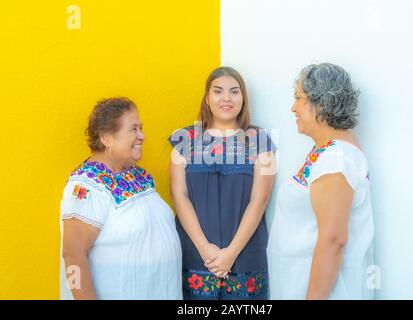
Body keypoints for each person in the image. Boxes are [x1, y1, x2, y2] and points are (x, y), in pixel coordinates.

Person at [267, 63, 375, 299]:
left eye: (299, 98)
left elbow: (333, 240)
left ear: (322, 102)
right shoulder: (329, 152)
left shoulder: (337, 158)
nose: (292, 108)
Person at [168, 67, 277, 300]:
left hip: (245, 254)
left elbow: (260, 200)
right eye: (218, 91)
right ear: (207, 98)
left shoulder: (261, 141)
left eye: (234, 92)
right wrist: (205, 248)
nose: (226, 98)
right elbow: (179, 195)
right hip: (196, 254)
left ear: (243, 99)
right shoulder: (184, 140)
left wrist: (231, 253)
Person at [60, 97, 182, 299]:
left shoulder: (139, 175)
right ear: (106, 138)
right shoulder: (86, 187)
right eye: (133, 129)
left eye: (141, 128)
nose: (142, 135)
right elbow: (73, 255)